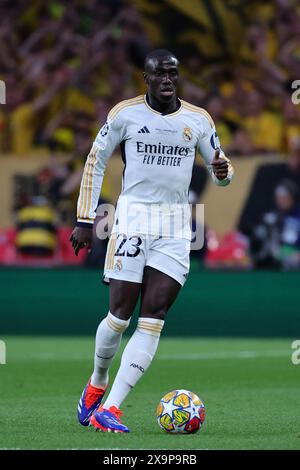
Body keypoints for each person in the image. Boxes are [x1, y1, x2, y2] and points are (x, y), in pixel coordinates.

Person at [70, 49, 234, 433]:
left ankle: (111, 409)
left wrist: (225, 172)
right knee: (119, 315)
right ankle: (97, 382)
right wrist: (84, 219)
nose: (166, 80)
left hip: (177, 228)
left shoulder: (198, 120)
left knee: (154, 314)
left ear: (178, 77)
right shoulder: (124, 114)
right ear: (145, 77)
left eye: (173, 74)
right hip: (131, 220)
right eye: (159, 74)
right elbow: (95, 160)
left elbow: (221, 169)